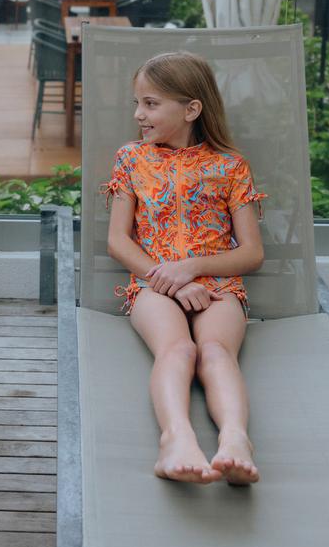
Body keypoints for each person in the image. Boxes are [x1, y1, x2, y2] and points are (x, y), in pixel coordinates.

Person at [105, 51, 265, 486]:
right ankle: (176, 439)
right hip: (153, 284)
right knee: (177, 350)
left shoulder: (230, 167)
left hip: (218, 286)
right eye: (137, 103)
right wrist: (172, 282)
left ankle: (235, 439)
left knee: (216, 351)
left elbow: (252, 252)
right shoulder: (131, 159)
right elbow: (118, 241)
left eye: (151, 104)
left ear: (191, 109)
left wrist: (190, 269)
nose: (139, 114)